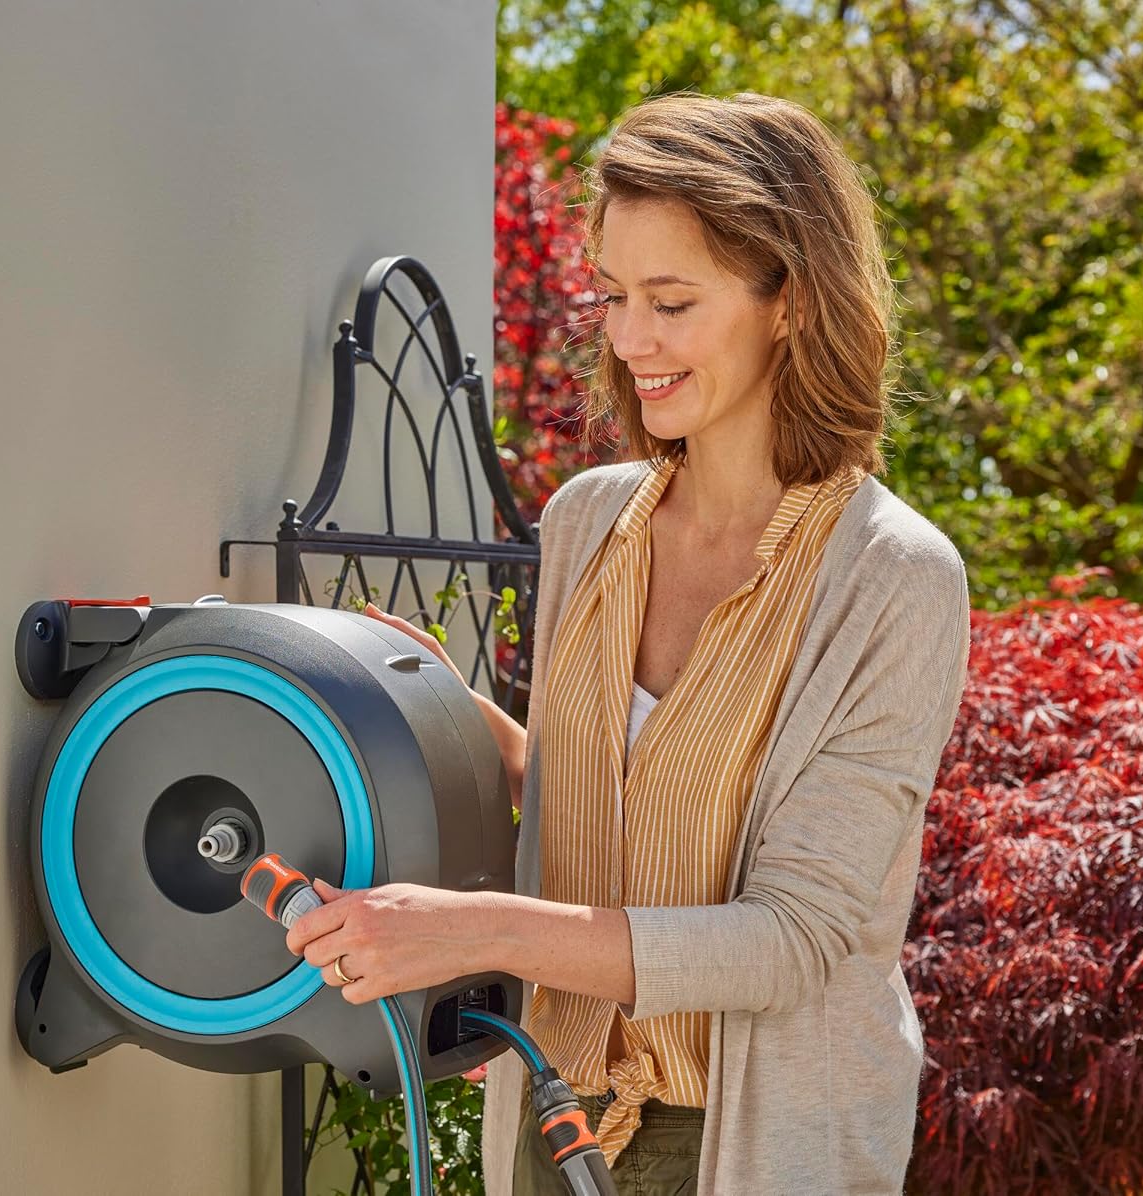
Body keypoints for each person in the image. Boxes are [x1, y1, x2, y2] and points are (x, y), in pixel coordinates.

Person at [285, 91, 972, 1194]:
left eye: (671, 301)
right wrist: (461, 725)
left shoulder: (890, 577)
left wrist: (477, 931)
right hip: (556, 1114)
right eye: (613, 295)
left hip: (745, 1141)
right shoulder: (588, 522)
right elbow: (622, 803)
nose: (629, 338)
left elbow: (790, 938)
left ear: (790, 301)